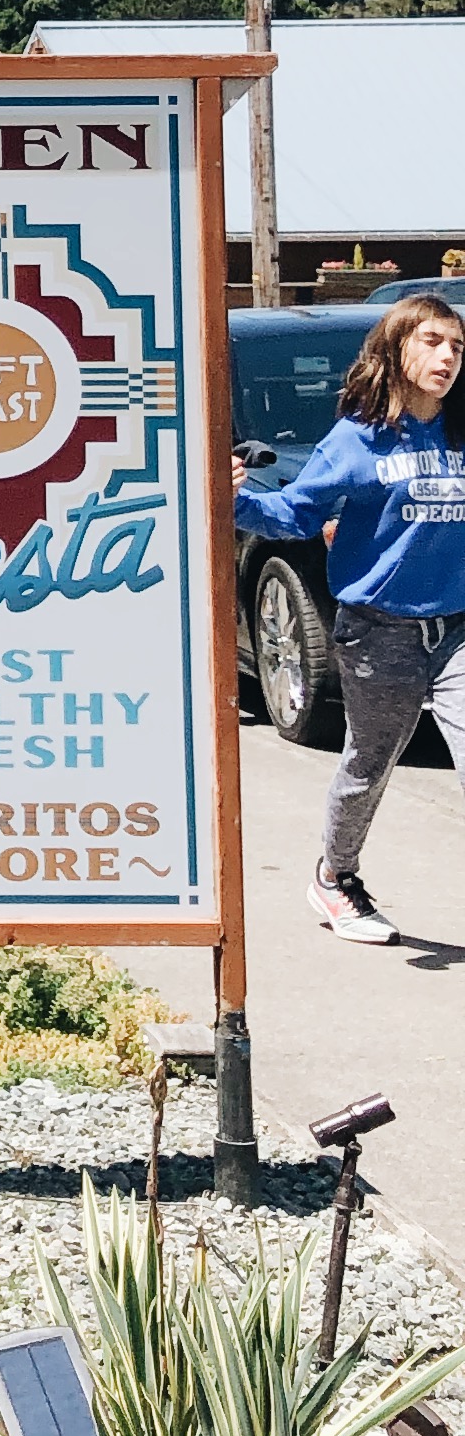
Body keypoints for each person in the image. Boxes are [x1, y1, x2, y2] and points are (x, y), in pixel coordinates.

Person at [235, 281, 465, 944]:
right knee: (368, 765)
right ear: (396, 350)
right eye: (432, 341)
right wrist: (234, 501)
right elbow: (297, 512)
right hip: (378, 633)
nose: (447, 355)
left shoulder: (461, 430)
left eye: (457, 345)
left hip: (454, 632)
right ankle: (335, 879)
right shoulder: (358, 440)